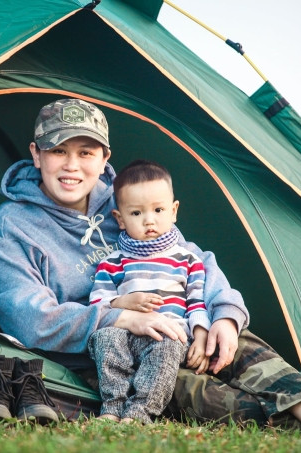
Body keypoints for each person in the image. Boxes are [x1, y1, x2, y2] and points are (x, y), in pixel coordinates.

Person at [0, 98, 301, 435]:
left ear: (103, 159)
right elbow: (29, 317)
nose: (71, 166)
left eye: (86, 152)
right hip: (102, 352)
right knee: (187, 391)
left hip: (176, 322)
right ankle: (294, 423)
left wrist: (220, 318)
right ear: (35, 153)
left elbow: (190, 259)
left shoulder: (129, 200)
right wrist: (118, 320)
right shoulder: (10, 228)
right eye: (58, 151)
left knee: (238, 345)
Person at [87, 160, 210, 424]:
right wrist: (124, 302)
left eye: (158, 210)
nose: (149, 220)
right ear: (120, 219)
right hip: (126, 334)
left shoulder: (187, 260)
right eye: (136, 214)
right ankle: (112, 407)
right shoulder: (114, 261)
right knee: (105, 337)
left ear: (174, 211)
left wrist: (200, 335)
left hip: (169, 335)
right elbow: (98, 301)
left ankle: (140, 412)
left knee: (166, 348)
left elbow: (197, 303)